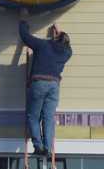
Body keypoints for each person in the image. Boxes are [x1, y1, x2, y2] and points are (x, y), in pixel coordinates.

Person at [18, 14, 73, 155]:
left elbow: (25, 36)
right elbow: (64, 43)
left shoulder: (43, 45)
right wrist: (59, 33)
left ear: (55, 37)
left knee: (33, 116)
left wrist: (23, 19)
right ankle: (47, 148)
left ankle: (38, 146)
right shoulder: (67, 53)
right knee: (48, 118)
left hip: (39, 83)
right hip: (54, 86)